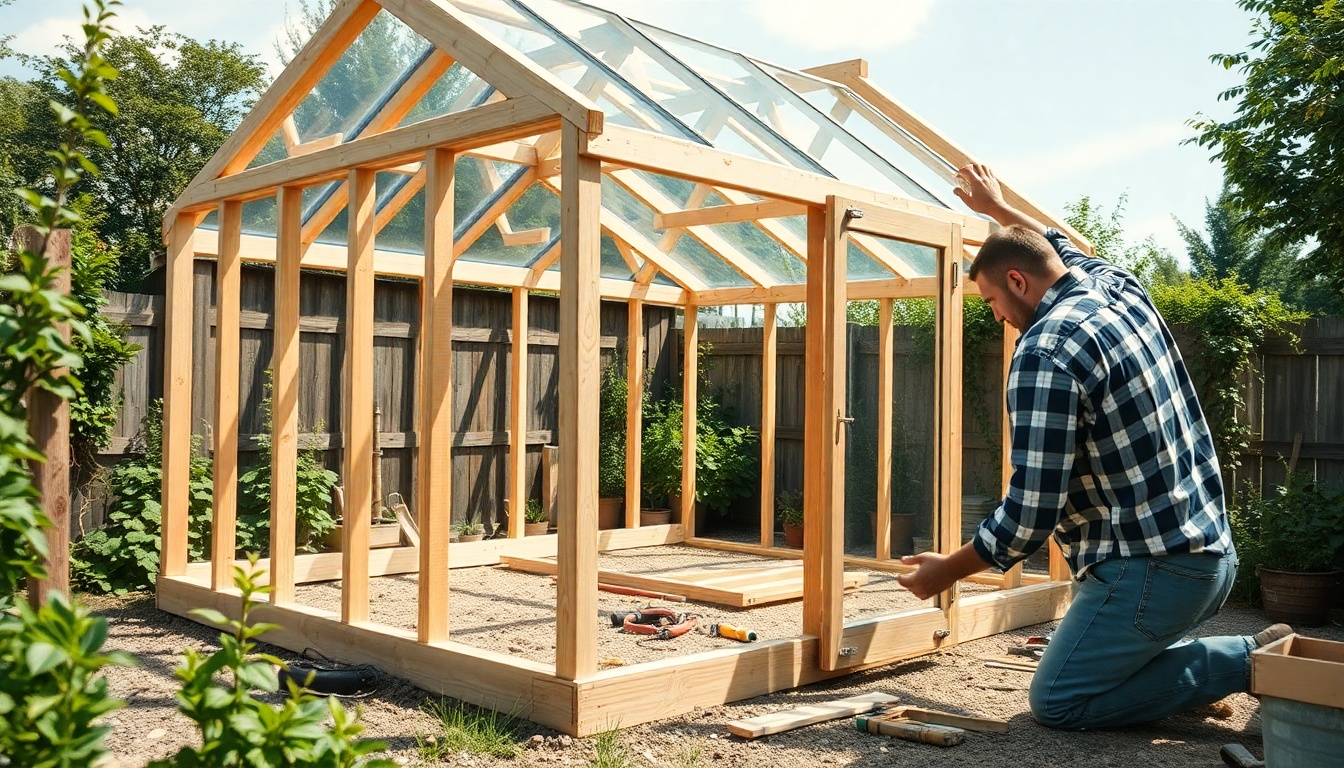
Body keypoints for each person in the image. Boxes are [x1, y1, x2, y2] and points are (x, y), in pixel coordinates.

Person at [895, 163, 1290, 730]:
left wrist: (947, 571)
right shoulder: (1116, 288)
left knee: (1060, 700)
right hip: (1211, 556)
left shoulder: (1045, 353)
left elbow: (1032, 510)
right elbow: (1057, 244)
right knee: (1102, 670)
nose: (997, 316)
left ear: (1017, 281)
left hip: (1156, 574)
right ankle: (1187, 676)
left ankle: (1247, 660)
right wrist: (996, 209)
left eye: (991, 301)